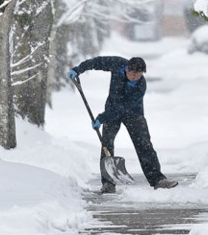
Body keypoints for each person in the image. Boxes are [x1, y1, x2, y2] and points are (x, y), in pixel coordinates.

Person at [68, 55, 178, 193]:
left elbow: (123, 108)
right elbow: (97, 62)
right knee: (107, 144)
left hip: (133, 113)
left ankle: (158, 180)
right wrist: (79, 69)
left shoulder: (141, 85)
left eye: (139, 75)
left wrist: (102, 118)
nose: (136, 78)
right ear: (127, 68)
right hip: (112, 109)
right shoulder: (117, 64)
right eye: (133, 74)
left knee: (144, 144)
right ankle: (108, 183)